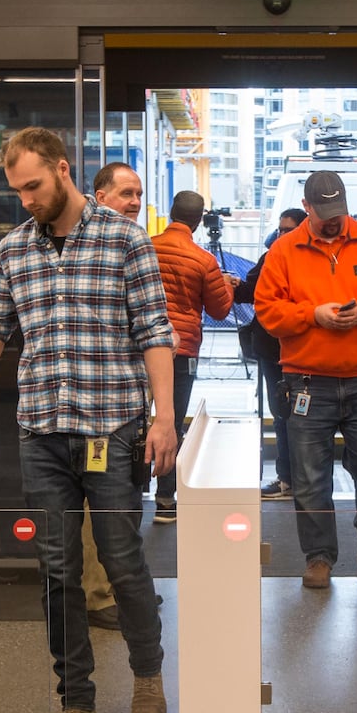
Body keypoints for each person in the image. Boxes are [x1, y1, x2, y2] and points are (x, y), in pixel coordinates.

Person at [0, 127, 177, 713]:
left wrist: (164, 416)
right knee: (57, 572)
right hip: (41, 431)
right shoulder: (14, 250)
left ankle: (147, 676)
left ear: (63, 170)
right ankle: (76, 702)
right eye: (16, 190)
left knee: (122, 560)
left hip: (110, 428)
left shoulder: (125, 240)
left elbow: (155, 331)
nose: (25, 199)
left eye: (33, 185)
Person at [254, 170, 357, 589]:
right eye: (323, 212)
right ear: (306, 207)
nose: (332, 219)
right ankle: (319, 556)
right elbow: (267, 311)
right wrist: (313, 315)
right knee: (309, 475)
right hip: (307, 381)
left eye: (337, 210)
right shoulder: (284, 250)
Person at [81, 162, 151, 630]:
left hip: (126, 408)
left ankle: (123, 586)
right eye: (126, 193)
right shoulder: (87, 246)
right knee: (97, 511)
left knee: (123, 505)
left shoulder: (131, 243)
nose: (135, 202)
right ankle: (98, 593)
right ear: (100, 196)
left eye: (139, 193)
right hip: (91, 414)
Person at [149, 190, 236, 523]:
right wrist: (225, 284)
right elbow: (219, 309)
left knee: (136, 423)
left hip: (139, 348)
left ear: (171, 212)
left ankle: (128, 495)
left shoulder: (146, 247)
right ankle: (165, 500)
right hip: (181, 350)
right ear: (199, 221)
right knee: (170, 422)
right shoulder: (203, 260)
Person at [233, 208, 308, 499]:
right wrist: (232, 284)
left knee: (301, 417)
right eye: (279, 230)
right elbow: (250, 291)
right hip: (272, 349)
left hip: (301, 350)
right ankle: (288, 479)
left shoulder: (309, 260)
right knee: (281, 415)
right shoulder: (271, 257)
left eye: (287, 230)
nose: (280, 235)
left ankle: (300, 479)